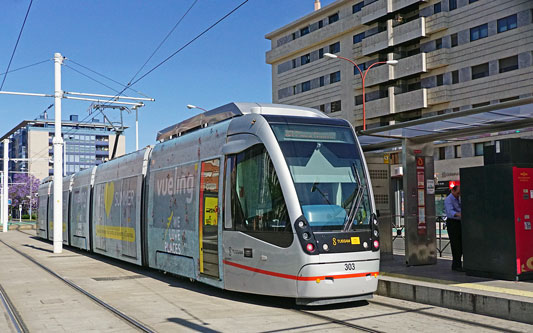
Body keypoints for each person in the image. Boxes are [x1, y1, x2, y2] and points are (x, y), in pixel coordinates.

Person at [445, 185, 462, 271]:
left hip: (460, 222)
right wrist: (459, 214)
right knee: (455, 244)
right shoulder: (449, 199)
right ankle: (456, 264)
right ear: (453, 191)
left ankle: (459, 263)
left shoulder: (459, 198)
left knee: (461, 243)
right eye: (457, 193)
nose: (458, 195)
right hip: (452, 222)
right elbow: (450, 211)